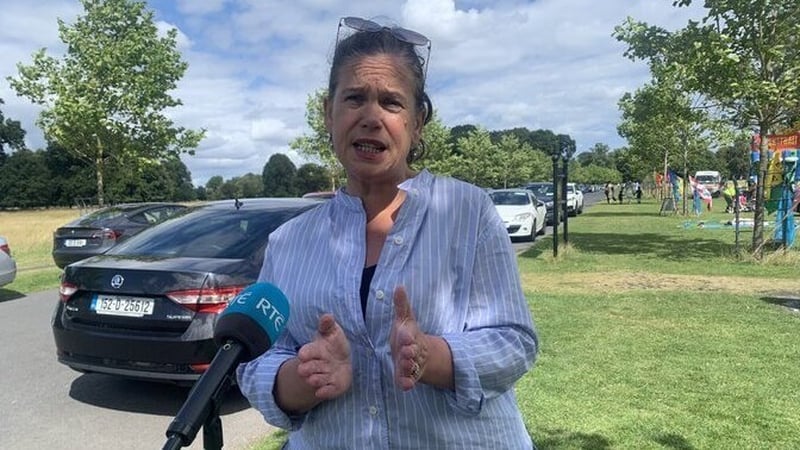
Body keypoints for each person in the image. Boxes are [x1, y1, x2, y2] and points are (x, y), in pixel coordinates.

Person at [236, 16, 539, 450]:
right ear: (329, 112)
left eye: (392, 103)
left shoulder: (468, 212)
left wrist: (430, 356)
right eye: (355, 98)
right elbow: (258, 361)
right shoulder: (289, 242)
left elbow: (515, 340)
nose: (371, 117)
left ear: (417, 123)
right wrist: (305, 378)